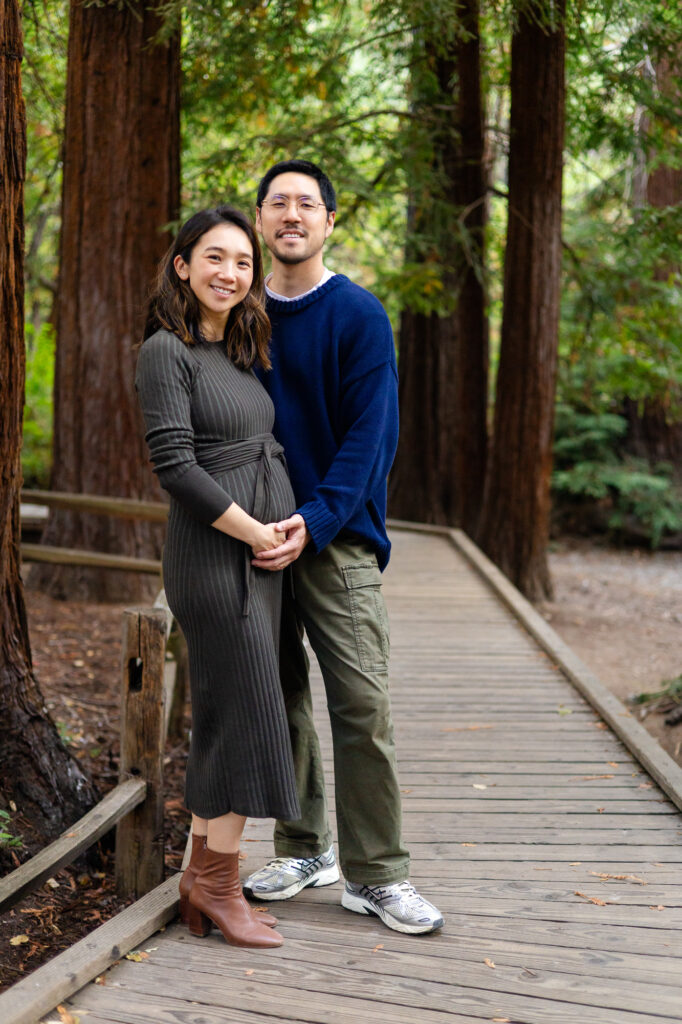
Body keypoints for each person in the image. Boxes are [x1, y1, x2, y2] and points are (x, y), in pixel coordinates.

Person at [242, 159, 444, 935]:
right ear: (261, 222)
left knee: (361, 704)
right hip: (255, 541)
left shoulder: (359, 315)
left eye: (306, 204)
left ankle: (377, 874)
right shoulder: (242, 314)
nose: (291, 215)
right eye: (277, 203)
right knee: (280, 697)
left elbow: (371, 440)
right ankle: (302, 847)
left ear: (330, 221)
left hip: (336, 540)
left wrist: (317, 522)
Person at [135, 205, 302, 950]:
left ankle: (201, 881)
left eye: (242, 262)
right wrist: (255, 531)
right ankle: (220, 884)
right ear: (182, 265)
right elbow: (175, 466)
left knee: (230, 714)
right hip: (216, 555)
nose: (230, 272)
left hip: (260, 555)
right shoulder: (164, 353)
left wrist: (283, 532)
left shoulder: (235, 351)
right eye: (214, 257)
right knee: (244, 719)